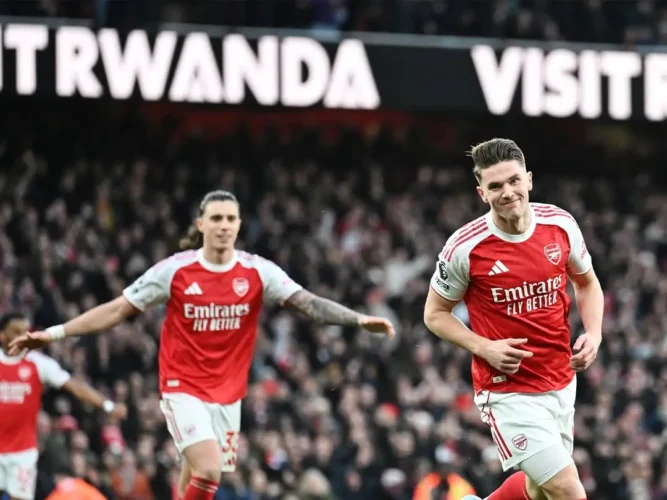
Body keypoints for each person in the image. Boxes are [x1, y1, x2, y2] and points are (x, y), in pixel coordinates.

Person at [9, 190, 395, 500]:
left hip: (227, 393)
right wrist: (54, 333)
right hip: (182, 386)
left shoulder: (257, 271)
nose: (223, 225)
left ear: (239, 225)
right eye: (216, 218)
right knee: (209, 470)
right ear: (201, 224)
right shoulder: (175, 270)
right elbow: (116, 310)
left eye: (230, 219)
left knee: (193, 477)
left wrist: (358, 319)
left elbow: (309, 304)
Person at [423, 139, 604, 500]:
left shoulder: (560, 225)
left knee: (539, 490)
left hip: (560, 379)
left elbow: (586, 283)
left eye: (514, 180)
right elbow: (434, 314)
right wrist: (483, 347)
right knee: (567, 489)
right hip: (508, 389)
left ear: (529, 180)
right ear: (482, 193)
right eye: (495, 186)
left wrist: (595, 333)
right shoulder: (465, 248)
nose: (507, 192)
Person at [0, 312, 128, 500]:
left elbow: (75, 386)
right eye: (16, 332)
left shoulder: (38, 363)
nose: (23, 337)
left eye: (26, 332)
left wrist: (108, 405)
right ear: (2, 335)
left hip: (22, 452)